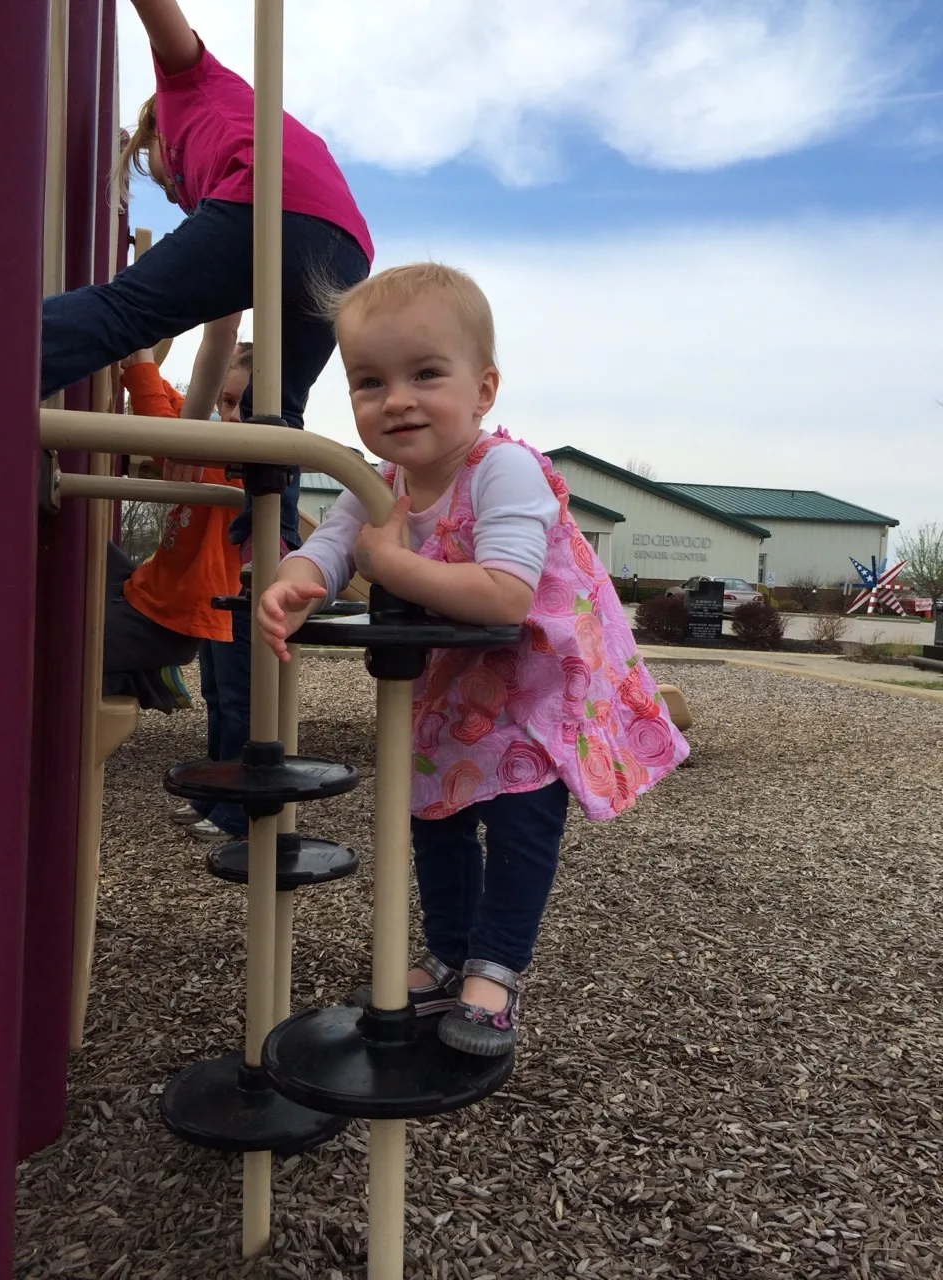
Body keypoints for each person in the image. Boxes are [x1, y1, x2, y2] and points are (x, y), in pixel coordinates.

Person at [257, 264, 691, 1057]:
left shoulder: (503, 470)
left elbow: (505, 596)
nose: (396, 400)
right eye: (370, 382)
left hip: (539, 685)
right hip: (456, 687)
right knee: (437, 816)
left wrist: (389, 564)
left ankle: (496, 970)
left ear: (484, 389)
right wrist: (294, 583)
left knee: (520, 825)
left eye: (426, 374)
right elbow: (330, 545)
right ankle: (448, 951)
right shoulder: (380, 483)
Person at [41, 0, 373, 570]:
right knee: (278, 411)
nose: (173, 192)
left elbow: (162, 19)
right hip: (348, 245)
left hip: (266, 194)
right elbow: (220, 335)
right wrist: (190, 441)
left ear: (152, 135)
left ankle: (5, 369)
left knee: (125, 310)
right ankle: (269, 551)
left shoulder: (183, 85)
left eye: (162, 173)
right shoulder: (228, 161)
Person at [105, 332, 245, 718]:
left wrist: (141, 363)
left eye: (247, 406)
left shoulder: (244, 466)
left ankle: (143, 678)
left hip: (166, 624)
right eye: (229, 402)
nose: (235, 416)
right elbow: (181, 412)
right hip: (150, 591)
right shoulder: (218, 443)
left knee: (70, 641)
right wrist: (146, 371)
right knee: (82, 545)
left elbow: (166, 437)